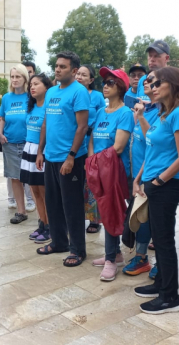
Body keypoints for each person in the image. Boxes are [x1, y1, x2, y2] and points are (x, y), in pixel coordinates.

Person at [132, 66, 179, 314]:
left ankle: (170, 297)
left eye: (157, 83)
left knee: (164, 241)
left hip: (166, 186)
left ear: (173, 84)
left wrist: (158, 181)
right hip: (153, 183)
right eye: (151, 83)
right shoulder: (163, 113)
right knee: (158, 238)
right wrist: (139, 179)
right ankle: (160, 284)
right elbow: (153, 144)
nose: (152, 87)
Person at [35, 51, 90, 267]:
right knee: (53, 202)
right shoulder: (51, 93)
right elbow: (46, 123)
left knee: (72, 206)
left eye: (63, 67)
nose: (57, 69)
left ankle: (77, 249)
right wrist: (41, 151)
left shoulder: (79, 92)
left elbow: (82, 126)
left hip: (71, 159)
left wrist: (71, 157)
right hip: (51, 156)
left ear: (74, 71)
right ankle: (58, 242)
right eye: (56, 66)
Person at [89, 68, 134, 281]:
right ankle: (114, 254)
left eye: (110, 82)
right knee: (104, 211)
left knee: (111, 212)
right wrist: (91, 162)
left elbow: (118, 147)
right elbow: (92, 140)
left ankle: (110, 259)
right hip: (99, 169)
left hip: (115, 171)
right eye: (104, 82)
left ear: (121, 87)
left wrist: (95, 162)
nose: (105, 86)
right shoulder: (100, 112)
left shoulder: (125, 113)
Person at [123, 71, 160, 277]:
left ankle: (158, 262)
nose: (147, 82)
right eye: (146, 80)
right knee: (141, 216)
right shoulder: (144, 108)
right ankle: (141, 256)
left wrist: (142, 177)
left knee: (155, 220)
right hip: (138, 173)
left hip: (153, 175)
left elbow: (153, 144)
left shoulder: (163, 112)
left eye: (153, 80)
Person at [0, 64, 31, 224]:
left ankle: (41, 210)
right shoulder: (6, 98)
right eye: (12, 76)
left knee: (32, 178)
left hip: (28, 143)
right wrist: (0, 132)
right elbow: (3, 117)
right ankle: (21, 211)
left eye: (18, 76)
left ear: (25, 78)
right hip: (10, 143)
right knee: (15, 178)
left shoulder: (30, 97)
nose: (15, 79)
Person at [22, 74, 52, 243]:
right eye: (31, 85)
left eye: (36, 84)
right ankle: (42, 223)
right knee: (34, 190)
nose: (32, 87)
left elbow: (47, 130)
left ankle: (50, 226)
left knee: (44, 190)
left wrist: (40, 151)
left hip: (41, 150)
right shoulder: (31, 106)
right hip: (29, 148)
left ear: (46, 87)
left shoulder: (48, 107)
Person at [76, 64, 105, 233]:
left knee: (92, 182)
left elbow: (102, 117)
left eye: (84, 75)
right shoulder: (71, 93)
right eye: (78, 74)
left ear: (91, 80)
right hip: (74, 144)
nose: (79, 77)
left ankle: (95, 220)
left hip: (92, 143)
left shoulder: (97, 96)